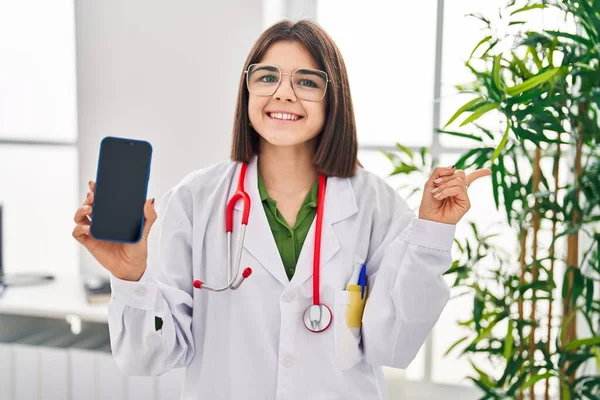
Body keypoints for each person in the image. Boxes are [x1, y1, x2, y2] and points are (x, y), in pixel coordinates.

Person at [72, 19, 491, 400]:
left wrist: (432, 235)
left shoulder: (374, 203)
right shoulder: (197, 199)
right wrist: (131, 279)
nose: (284, 93)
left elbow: (393, 345)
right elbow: (150, 357)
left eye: (307, 81)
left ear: (333, 99)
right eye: (267, 76)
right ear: (247, 90)